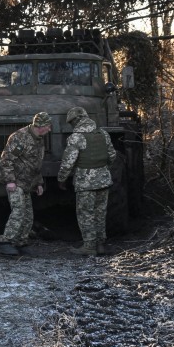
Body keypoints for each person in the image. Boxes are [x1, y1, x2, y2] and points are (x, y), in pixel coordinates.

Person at [58, 106, 116, 256]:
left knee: (86, 214)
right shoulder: (103, 133)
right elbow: (112, 155)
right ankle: (101, 244)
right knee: (100, 212)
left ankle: (89, 246)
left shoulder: (76, 137)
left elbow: (68, 162)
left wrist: (62, 179)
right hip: (103, 180)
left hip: (85, 182)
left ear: (75, 121)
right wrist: (102, 170)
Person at [0, 111, 52, 256]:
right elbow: (6, 159)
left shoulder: (39, 139)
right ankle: (6, 242)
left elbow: (35, 163)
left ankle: (21, 243)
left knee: (28, 215)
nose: (49, 129)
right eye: (47, 126)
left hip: (28, 183)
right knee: (19, 211)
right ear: (40, 126)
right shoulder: (19, 137)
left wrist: (39, 183)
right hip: (16, 182)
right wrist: (10, 180)